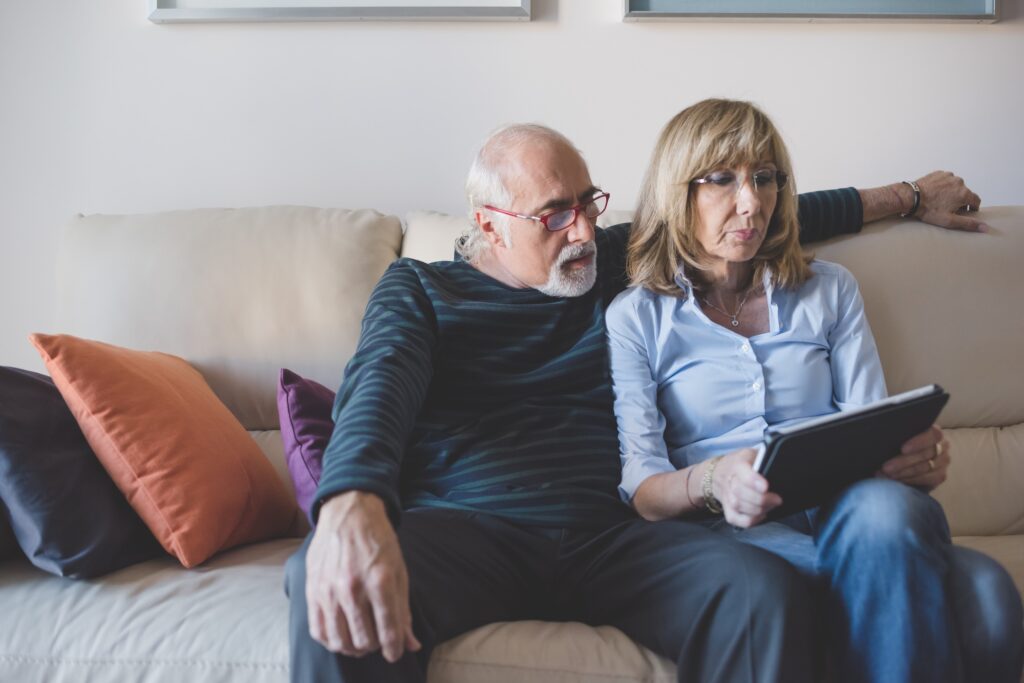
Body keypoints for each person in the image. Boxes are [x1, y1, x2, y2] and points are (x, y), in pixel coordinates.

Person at [285, 119, 986, 683]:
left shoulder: (615, 260)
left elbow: (753, 217)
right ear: (490, 225)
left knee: (758, 593)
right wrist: (350, 504)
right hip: (471, 529)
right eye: (554, 216)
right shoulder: (420, 289)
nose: (583, 232)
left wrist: (910, 196)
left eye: (588, 204)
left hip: (615, 536)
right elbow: (376, 392)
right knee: (328, 579)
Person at [606, 98, 1023, 683]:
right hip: (729, 531)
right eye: (722, 180)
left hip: (853, 512)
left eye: (766, 178)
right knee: (986, 597)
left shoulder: (829, 289)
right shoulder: (637, 317)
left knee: (884, 513)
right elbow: (644, 487)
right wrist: (715, 478)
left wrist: (908, 462)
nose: (751, 202)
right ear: (680, 193)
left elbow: (870, 424)